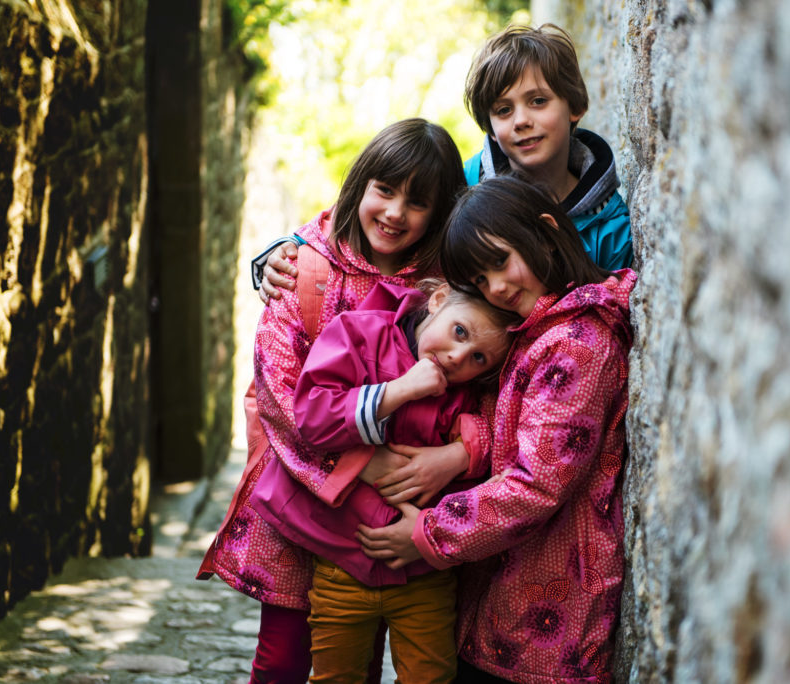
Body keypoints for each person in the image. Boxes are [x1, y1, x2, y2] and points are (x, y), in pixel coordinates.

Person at [196, 118, 469, 684]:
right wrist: (365, 464)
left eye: (417, 202)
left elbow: (478, 385)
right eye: (385, 191)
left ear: (440, 213)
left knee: (357, 660)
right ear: (360, 186)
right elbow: (279, 392)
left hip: (395, 510)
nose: (394, 213)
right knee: (283, 657)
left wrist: (456, 456)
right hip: (308, 497)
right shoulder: (305, 269)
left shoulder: (447, 289)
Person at [357, 176, 636, 683]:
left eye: (502, 262)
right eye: (482, 281)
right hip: (506, 599)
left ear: (547, 233)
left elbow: (536, 483)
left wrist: (425, 534)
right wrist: (462, 454)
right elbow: (509, 423)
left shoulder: (578, 342)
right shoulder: (538, 329)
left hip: (545, 616)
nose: (498, 289)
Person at [251, 279, 517, 683]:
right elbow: (312, 417)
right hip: (342, 560)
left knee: (430, 677)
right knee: (337, 675)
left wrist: (459, 455)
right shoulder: (360, 335)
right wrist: (396, 391)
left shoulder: (465, 392)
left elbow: (500, 437)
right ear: (439, 300)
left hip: (424, 572)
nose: (457, 356)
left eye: (478, 357)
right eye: (459, 331)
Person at [256, 23, 633, 303]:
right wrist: (288, 248)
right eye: (504, 110)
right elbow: (380, 213)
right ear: (490, 126)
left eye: (538, 101)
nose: (521, 120)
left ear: (576, 106)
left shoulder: (609, 223)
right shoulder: (464, 183)